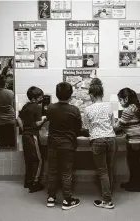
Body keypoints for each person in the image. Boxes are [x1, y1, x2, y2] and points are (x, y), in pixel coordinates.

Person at [46, 82, 82, 210]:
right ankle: (67, 200)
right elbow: (79, 128)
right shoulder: (74, 110)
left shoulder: (50, 108)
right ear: (70, 94)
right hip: (67, 144)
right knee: (66, 172)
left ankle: (51, 198)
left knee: (52, 171)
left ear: (56, 94)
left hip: (52, 144)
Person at [83, 78, 116, 209]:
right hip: (111, 139)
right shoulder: (109, 106)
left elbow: (85, 127)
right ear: (102, 94)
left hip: (98, 140)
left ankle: (107, 200)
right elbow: (113, 125)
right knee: (109, 168)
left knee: (102, 171)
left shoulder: (88, 109)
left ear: (91, 95)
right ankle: (108, 192)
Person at [115, 88, 140, 192]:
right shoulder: (135, 106)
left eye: (120, 99)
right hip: (139, 139)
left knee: (134, 163)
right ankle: (133, 182)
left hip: (135, 140)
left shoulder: (128, 109)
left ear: (126, 98)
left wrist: (109, 127)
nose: (120, 102)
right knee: (135, 162)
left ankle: (137, 186)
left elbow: (119, 126)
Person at [17, 86, 48, 193]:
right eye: (41, 96)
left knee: (29, 160)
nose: (42, 98)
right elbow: (37, 123)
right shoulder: (37, 107)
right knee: (38, 160)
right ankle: (35, 183)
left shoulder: (26, 106)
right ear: (36, 97)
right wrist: (45, 118)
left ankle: (28, 182)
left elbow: (19, 118)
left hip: (25, 135)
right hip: (32, 136)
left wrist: (24, 128)